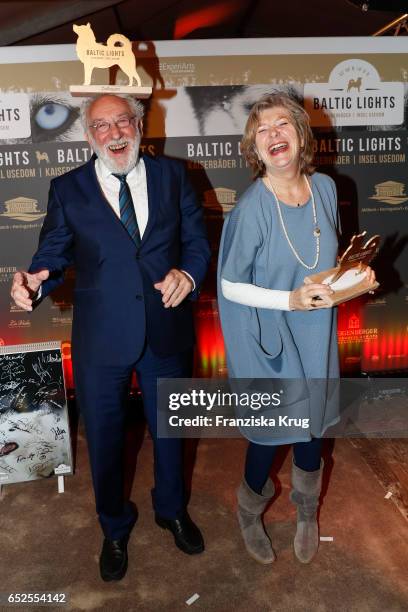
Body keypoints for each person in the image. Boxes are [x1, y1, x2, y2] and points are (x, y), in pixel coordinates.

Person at [10, 93, 210, 581]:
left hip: (165, 328)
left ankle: (171, 509)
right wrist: (35, 280)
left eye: (123, 121)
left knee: (170, 432)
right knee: (102, 438)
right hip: (101, 339)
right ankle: (114, 527)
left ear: (140, 124)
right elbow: (53, 252)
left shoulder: (174, 176)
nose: (114, 133)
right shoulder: (68, 188)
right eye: (102, 125)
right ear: (89, 135)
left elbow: (197, 242)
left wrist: (188, 272)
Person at [217, 92, 375, 565]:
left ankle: (306, 510)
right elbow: (229, 285)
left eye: (282, 124)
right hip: (266, 336)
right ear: (255, 147)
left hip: (313, 332)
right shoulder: (251, 208)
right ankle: (249, 509)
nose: (273, 135)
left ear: (300, 134)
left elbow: (322, 263)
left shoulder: (325, 188)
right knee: (270, 436)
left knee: (312, 429)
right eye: (262, 130)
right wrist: (287, 299)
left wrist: (355, 277)